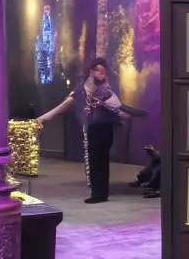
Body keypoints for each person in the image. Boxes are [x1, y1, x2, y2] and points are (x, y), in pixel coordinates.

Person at [37, 58, 145, 204]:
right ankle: (98, 193)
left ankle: (100, 194)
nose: (102, 74)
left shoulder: (107, 93)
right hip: (92, 129)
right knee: (95, 161)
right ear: (91, 71)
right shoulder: (80, 92)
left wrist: (125, 112)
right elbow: (63, 106)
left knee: (100, 160)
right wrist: (43, 118)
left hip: (104, 129)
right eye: (99, 71)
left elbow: (122, 112)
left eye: (104, 72)